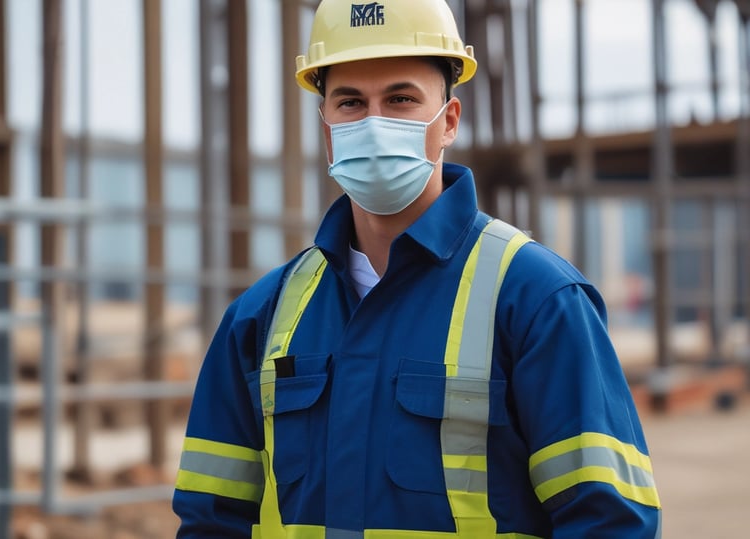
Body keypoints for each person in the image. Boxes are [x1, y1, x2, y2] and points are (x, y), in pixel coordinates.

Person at [172, 0, 662, 537]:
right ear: (326, 125)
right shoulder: (260, 317)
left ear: (448, 120)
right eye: (351, 102)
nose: (374, 122)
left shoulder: (537, 300)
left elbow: (609, 522)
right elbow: (210, 521)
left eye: (401, 99)